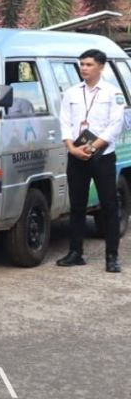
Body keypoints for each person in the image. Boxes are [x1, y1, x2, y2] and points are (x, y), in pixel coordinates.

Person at [56, 48, 123, 273]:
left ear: (101, 67)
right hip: (76, 155)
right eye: (82, 64)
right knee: (77, 206)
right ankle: (76, 252)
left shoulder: (112, 93)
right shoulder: (72, 92)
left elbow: (116, 125)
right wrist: (72, 148)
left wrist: (93, 146)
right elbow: (64, 121)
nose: (84, 68)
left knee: (109, 205)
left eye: (89, 64)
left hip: (102, 156)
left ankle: (112, 256)